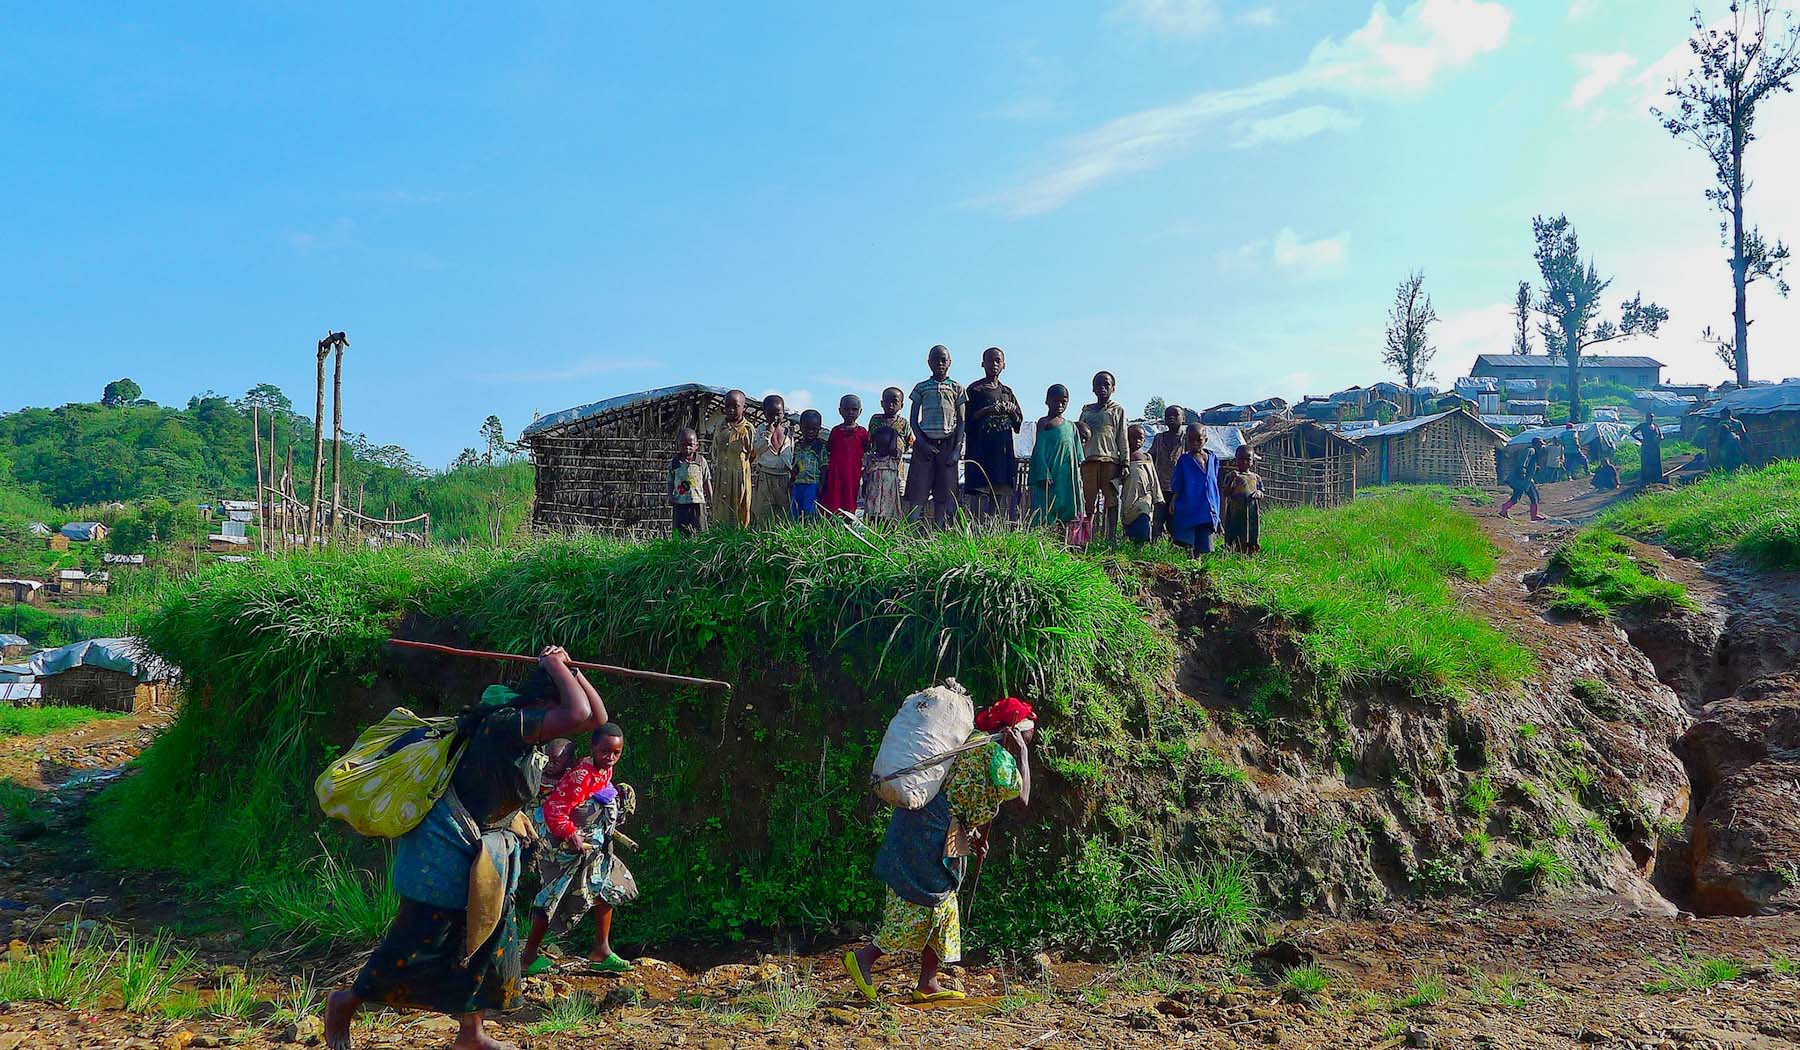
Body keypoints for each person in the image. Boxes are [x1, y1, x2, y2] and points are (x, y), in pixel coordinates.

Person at [324, 646, 609, 1050]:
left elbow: (595, 718)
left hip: (487, 850)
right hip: (447, 846)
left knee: (489, 937)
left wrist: (572, 670)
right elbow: (580, 715)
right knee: (419, 938)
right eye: (556, 705)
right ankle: (345, 1002)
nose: (562, 724)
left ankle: (470, 1034)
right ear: (541, 704)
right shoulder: (506, 725)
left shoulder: (523, 732)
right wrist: (552, 665)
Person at [843, 697, 1035, 1005]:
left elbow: (988, 803)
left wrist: (977, 836)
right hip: (928, 833)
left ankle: (928, 983)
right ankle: (864, 958)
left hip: (928, 828)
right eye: (1028, 733)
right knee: (923, 904)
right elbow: (1022, 798)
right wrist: (1023, 755)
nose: (1031, 738)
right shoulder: (997, 757)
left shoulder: (974, 742)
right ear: (1013, 732)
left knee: (945, 909)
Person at [520, 724, 638, 977]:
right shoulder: (580, 776)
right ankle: (528, 957)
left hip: (595, 848)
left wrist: (613, 796)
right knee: (555, 895)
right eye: (605, 751)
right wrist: (571, 834)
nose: (610, 757)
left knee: (608, 885)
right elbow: (554, 809)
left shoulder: (602, 769)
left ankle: (601, 950)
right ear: (593, 748)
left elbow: (595, 793)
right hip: (569, 849)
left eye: (616, 753)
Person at [908, 345, 966, 529]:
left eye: (943, 360)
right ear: (928, 362)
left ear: (949, 362)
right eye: (935, 359)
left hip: (948, 446)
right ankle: (910, 533)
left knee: (945, 493)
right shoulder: (921, 387)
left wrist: (957, 449)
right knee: (919, 491)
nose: (940, 363)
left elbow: (962, 421)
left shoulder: (957, 388)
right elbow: (913, 419)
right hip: (924, 446)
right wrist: (922, 443)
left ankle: (939, 531)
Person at [963, 347, 1023, 521]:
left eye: (998, 361)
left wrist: (1011, 412)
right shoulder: (975, 390)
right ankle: (977, 530)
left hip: (1002, 453)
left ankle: (995, 532)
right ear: (983, 364)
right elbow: (966, 421)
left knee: (999, 492)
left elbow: (1018, 422)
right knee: (980, 492)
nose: (994, 364)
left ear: (1004, 365)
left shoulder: (1007, 392)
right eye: (990, 360)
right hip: (981, 452)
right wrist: (987, 410)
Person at [1076, 372, 1128, 542]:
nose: (1102, 388)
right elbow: (1078, 436)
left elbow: (1122, 436)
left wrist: (1125, 462)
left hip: (1110, 460)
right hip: (1089, 460)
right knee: (1088, 501)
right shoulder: (1086, 411)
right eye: (1098, 385)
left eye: (1106, 385)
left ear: (1113, 388)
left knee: (1111, 500)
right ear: (1093, 388)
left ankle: (1111, 537)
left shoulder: (1117, 410)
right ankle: (1085, 538)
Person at [1027, 384, 1084, 527]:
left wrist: (1078, 478)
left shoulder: (1072, 427)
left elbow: (1078, 457)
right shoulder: (1044, 423)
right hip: (1050, 474)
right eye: (1055, 400)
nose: (1059, 404)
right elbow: (1038, 450)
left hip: (1067, 476)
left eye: (1063, 401)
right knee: (1046, 505)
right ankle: (1044, 538)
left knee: (1067, 507)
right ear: (1047, 401)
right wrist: (1043, 472)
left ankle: (1064, 541)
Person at [1168, 424, 1221, 558]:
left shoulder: (1213, 458)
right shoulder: (1184, 460)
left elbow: (1213, 479)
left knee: (1204, 531)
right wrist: (1174, 499)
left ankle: (1198, 560)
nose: (1195, 443)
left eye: (1199, 440)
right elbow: (1178, 481)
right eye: (1191, 440)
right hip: (1190, 501)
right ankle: (1190, 558)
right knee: (1189, 532)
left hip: (1207, 503)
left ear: (1206, 440)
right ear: (1186, 440)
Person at [710, 390, 755, 530]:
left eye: (735, 406)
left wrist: (740, 468)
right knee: (720, 511)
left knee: (740, 512)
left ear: (744, 407)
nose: (731, 410)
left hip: (739, 478)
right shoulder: (720, 427)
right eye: (727, 406)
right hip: (722, 476)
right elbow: (715, 450)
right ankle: (719, 542)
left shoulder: (747, 429)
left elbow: (753, 454)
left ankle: (739, 543)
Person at [821, 395, 869, 517]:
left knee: (850, 497)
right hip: (835, 472)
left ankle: (848, 524)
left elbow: (867, 450)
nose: (850, 412)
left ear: (860, 411)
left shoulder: (862, 432)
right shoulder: (836, 431)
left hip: (853, 473)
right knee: (833, 498)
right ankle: (831, 524)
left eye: (854, 409)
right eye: (847, 409)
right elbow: (829, 448)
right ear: (840, 410)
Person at [751, 394, 795, 527]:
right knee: (764, 512)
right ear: (765, 414)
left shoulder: (789, 432)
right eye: (770, 414)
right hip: (766, 476)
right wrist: (767, 436)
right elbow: (755, 451)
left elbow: (791, 454)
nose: (775, 418)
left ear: (783, 413)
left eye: (778, 414)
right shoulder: (760, 430)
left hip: (784, 477)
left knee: (784, 513)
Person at [1117, 424, 1162, 545]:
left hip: (1145, 496)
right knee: (1129, 521)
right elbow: (1117, 478)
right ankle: (1131, 546)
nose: (1136, 441)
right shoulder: (1122, 458)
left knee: (1143, 518)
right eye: (1132, 437)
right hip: (1129, 497)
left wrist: (1158, 497)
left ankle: (1141, 545)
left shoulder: (1147, 457)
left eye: (1140, 438)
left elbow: (1153, 478)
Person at [1148, 405, 1184, 541]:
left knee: (1175, 521)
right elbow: (1151, 456)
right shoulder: (1159, 438)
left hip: (1179, 489)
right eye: (1168, 415)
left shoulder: (1186, 439)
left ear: (1183, 418)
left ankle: (1174, 547)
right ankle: (1154, 547)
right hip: (1160, 487)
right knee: (1158, 519)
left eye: (1175, 415)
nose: (1171, 417)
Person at [668, 427, 712, 538]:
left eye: (690, 444)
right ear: (678, 445)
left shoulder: (701, 462)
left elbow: (707, 481)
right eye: (683, 444)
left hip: (697, 502)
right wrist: (670, 496)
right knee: (680, 533)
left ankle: (699, 552)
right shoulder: (674, 463)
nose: (687, 447)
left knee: (700, 532)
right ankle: (680, 552)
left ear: (696, 445)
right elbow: (670, 481)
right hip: (680, 503)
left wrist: (711, 498)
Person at [1219, 445, 1263, 553]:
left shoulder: (1255, 477)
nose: (1244, 462)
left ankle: (1249, 551)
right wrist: (1231, 480)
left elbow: (1262, 492)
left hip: (1251, 510)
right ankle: (1232, 550)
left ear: (1253, 461)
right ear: (1236, 460)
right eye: (1241, 459)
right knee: (1234, 529)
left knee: (1250, 530)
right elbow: (1225, 493)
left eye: (1248, 460)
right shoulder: (1232, 475)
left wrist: (1258, 493)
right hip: (1235, 511)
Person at [862, 424, 906, 524]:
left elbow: (893, 449)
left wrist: (894, 435)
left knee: (888, 522)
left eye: (885, 445)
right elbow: (865, 476)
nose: (882, 449)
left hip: (888, 500)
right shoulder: (871, 459)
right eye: (879, 445)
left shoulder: (893, 459)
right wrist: (864, 486)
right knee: (872, 520)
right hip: (873, 498)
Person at [1499, 437, 1549, 520]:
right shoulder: (1530, 450)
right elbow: (1522, 462)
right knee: (1526, 497)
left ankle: (1504, 510)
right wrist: (1522, 473)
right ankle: (1504, 510)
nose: (1541, 446)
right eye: (1540, 444)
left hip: (1526, 480)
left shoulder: (1534, 452)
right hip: (1522, 479)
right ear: (1536, 444)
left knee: (1529, 496)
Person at [791, 409, 829, 520]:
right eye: (807, 428)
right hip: (798, 483)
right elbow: (794, 465)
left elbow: (824, 467)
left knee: (810, 509)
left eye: (814, 429)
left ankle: (809, 531)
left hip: (812, 484)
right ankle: (796, 530)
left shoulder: (819, 447)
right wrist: (791, 479)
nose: (810, 432)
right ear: (801, 427)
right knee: (796, 509)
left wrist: (822, 485)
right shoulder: (797, 446)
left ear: (819, 429)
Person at [1631, 413, 1663, 487]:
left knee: (1656, 461)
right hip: (1646, 446)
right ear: (1646, 418)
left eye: (1652, 417)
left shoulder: (1656, 426)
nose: (1651, 419)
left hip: (1655, 447)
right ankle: (1646, 479)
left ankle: (1656, 478)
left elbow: (1661, 436)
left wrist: (1659, 439)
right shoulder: (1642, 426)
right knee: (1646, 462)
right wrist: (1640, 440)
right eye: (1649, 417)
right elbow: (1632, 432)